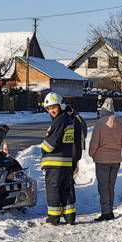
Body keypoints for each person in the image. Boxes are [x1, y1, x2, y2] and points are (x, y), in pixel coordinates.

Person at [40, 92, 78, 225]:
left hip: (54, 163)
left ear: (60, 106)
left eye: (53, 107)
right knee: (66, 189)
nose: (51, 111)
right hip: (66, 162)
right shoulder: (68, 119)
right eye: (49, 108)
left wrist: (42, 148)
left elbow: (50, 144)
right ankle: (69, 216)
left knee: (53, 189)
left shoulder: (59, 121)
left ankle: (53, 218)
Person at [88, 97, 122, 221]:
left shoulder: (100, 124)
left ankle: (106, 212)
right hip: (116, 160)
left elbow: (94, 143)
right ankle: (110, 210)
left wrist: (92, 153)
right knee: (111, 186)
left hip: (102, 160)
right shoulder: (119, 123)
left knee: (103, 187)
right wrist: (115, 148)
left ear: (103, 111)